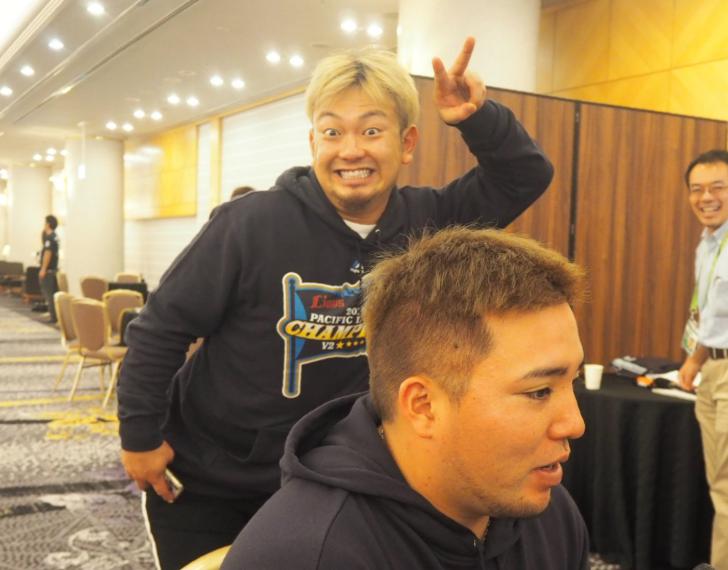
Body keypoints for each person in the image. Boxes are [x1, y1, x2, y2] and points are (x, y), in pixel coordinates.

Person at [118, 37, 554, 569]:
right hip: (215, 482)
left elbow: (525, 175)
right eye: (332, 131)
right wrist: (140, 436)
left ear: (407, 142)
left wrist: (477, 118)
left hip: (339, 480)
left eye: (371, 131)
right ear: (313, 142)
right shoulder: (248, 225)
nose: (350, 150)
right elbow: (160, 330)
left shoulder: (430, 223)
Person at [222, 226, 589, 569]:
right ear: (423, 406)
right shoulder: (307, 556)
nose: (575, 424)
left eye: (573, 381)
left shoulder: (547, 513)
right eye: (539, 391)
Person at [678, 149, 728, 570]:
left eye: (718, 187)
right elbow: (713, 312)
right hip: (714, 366)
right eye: (697, 189)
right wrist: (695, 360)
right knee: (720, 486)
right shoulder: (708, 242)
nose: (706, 197)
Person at [39, 214, 60, 324]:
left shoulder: (50, 238)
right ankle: (54, 315)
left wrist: (43, 269)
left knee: (49, 294)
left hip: (49, 270)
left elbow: (48, 253)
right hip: (53, 270)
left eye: (45, 223)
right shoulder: (55, 236)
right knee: (52, 293)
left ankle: (53, 316)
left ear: (48, 224)